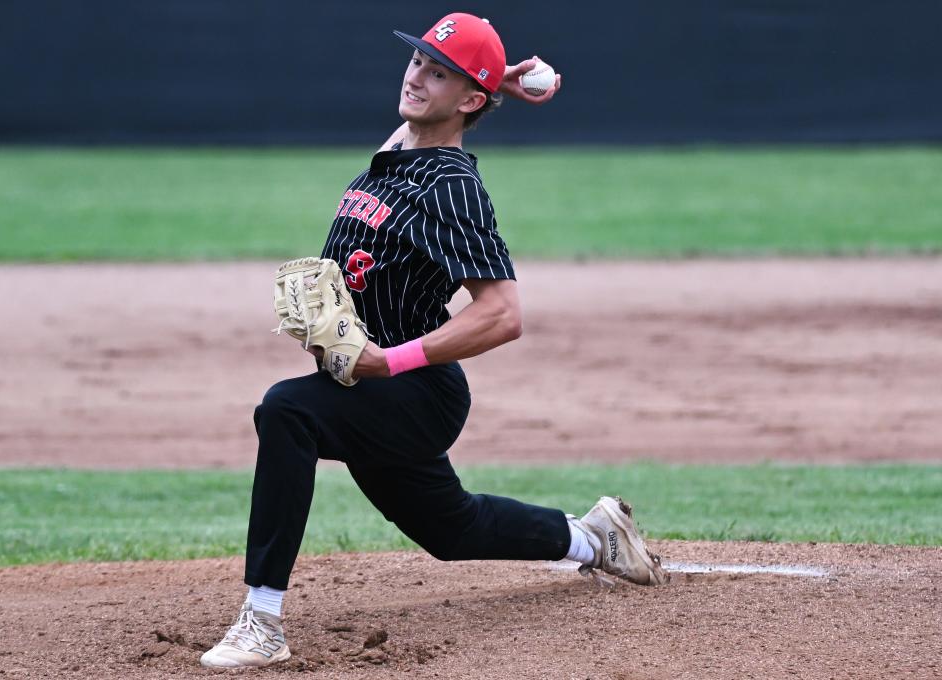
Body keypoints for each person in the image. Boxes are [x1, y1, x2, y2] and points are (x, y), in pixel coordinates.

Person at [200, 13, 668, 669]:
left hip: (413, 391)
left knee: (288, 410)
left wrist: (388, 362)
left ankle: (262, 621)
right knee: (452, 528)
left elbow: (502, 314)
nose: (417, 76)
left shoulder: (451, 188)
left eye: (438, 72)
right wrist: (491, 77)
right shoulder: (401, 157)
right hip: (373, 389)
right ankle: (593, 539)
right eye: (419, 61)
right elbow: (427, 120)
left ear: (469, 100)